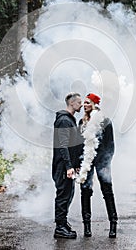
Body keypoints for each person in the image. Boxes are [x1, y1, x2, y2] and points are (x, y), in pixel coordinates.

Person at [77, 93, 118, 238]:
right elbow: (78, 144)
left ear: (94, 104)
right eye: (84, 103)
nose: (84, 105)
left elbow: (110, 144)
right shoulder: (81, 123)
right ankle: (87, 226)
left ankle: (113, 224)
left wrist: (106, 163)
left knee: (107, 191)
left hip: (102, 161)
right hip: (86, 160)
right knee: (85, 190)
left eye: (87, 103)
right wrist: (78, 163)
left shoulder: (105, 121)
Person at [52, 92, 83, 239]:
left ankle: (63, 223)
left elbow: (73, 145)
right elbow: (63, 145)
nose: (81, 105)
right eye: (79, 102)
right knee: (63, 196)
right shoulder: (64, 121)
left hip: (68, 166)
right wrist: (68, 166)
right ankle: (60, 228)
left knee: (68, 194)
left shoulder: (70, 120)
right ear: (72, 103)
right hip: (63, 166)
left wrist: (75, 164)